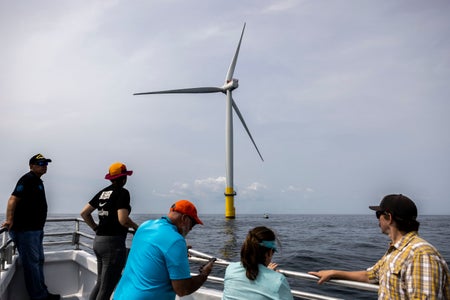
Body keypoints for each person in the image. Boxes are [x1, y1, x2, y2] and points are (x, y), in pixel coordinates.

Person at [309, 194, 450, 299]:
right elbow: (371, 275)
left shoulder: (421, 255)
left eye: (378, 214)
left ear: (388, 217)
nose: (377, 219)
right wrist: (334, 273)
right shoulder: (397, 251)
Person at [113, 199, 215, 300]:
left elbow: (155, 251)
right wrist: (204, 274)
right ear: (184, 219)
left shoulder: (145, 226)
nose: (191, 229)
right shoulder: (176, 241)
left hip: (120, 296)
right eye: (192, 224)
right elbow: (183, 289)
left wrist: (178, 252)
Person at [2, 154, 60, 300]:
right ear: (31, 166)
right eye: (40, 163)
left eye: (45, 163)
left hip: (35, 230)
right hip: (25, 231)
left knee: (38, 261)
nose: (44, 165)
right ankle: (39, 297)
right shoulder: (27, 179)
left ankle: (43, 293)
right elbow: (12, 199)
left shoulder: (37, 181)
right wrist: (9, 220)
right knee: (32, 265)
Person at [80, 162, 139, 300]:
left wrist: (95, 228)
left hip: (99, 241)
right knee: (106, 289)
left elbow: (84, 213)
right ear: (124, 178)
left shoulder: (103, 192)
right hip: (113, 245)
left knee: (101, 283)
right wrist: (137, 227)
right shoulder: (123, 193)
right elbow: (123, 220)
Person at [222, 226, 294, 300]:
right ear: (268, 253)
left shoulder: (231, 269)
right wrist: (269, 274)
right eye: (273, 252)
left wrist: (266, 272)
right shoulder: (278, 280)